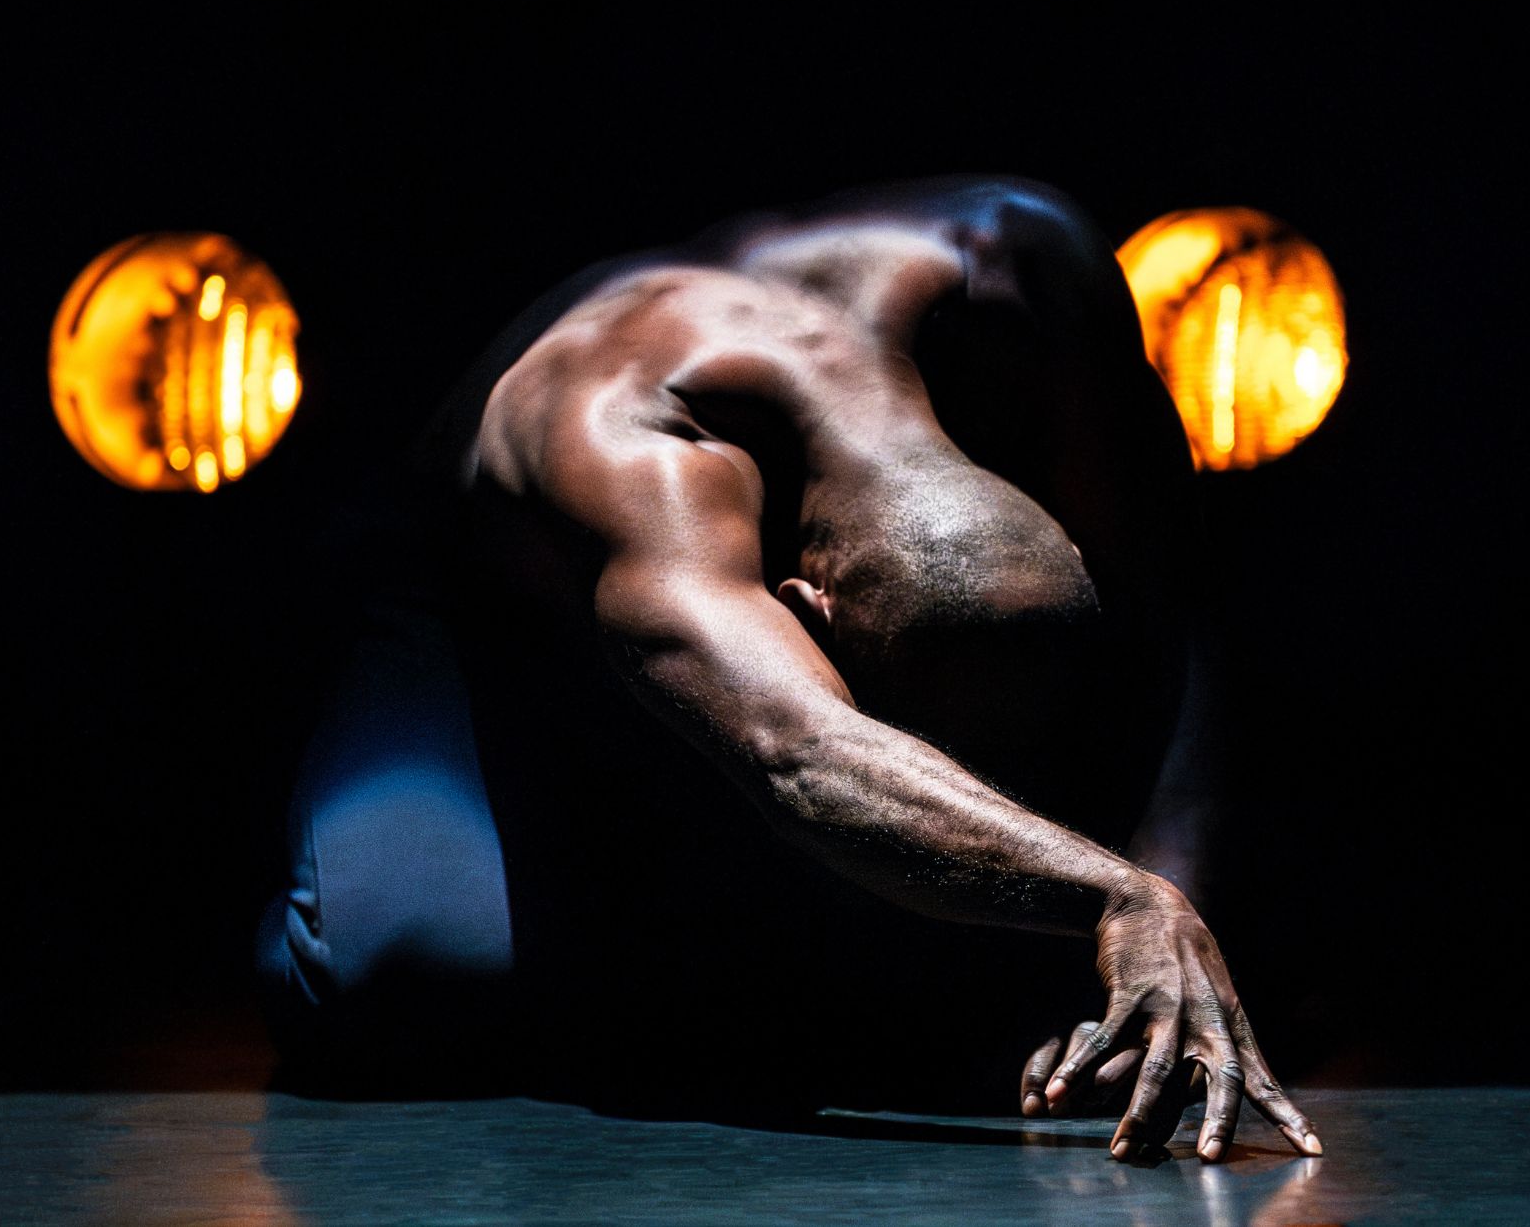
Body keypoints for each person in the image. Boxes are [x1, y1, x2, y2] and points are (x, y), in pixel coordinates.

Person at [254, 176, 1321, 1163]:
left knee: (943, 910)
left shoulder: (1031, 270)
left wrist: (1172, 912)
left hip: (711, 612)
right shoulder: (622, 434)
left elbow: (1173, 608)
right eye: (962, 743)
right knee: (399, 979)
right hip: (483, 623)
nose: (1014, 776)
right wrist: (1118, 898)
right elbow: (800, 750)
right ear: (799, 607)